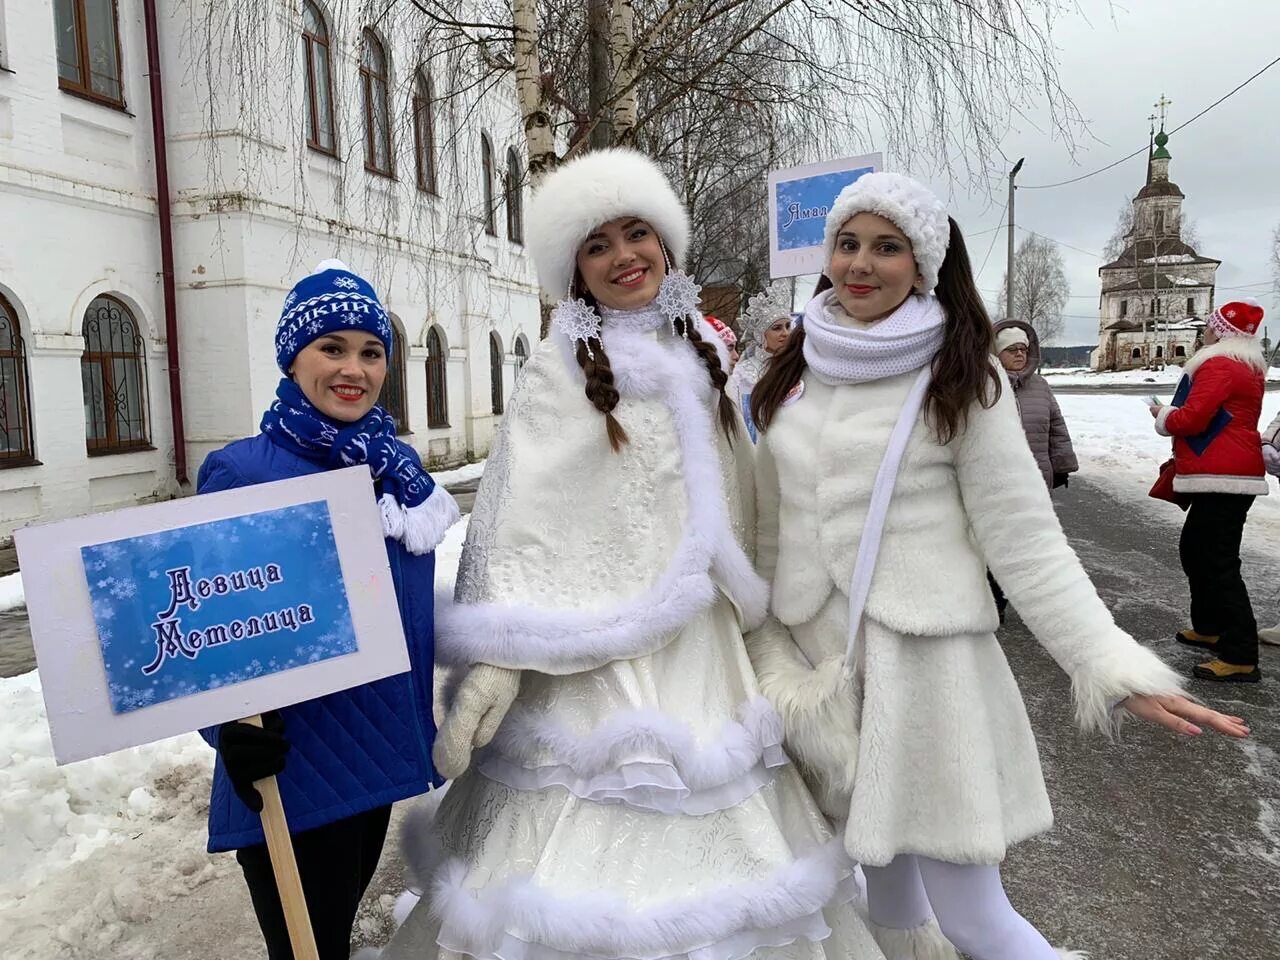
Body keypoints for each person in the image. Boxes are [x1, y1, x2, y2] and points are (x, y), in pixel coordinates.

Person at [385, 148, 886, 960]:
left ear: (666, 243)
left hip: (702, 650)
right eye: (597, 244)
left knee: (739, 845)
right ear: (575, 269)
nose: (623, 256)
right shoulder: (557, 373)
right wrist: (502, 657)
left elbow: (746, 492)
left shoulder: (706, 360)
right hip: (585, 662)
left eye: (636, 233)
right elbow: (516, 513)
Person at [743, 172, 1248, 960]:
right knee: (885, 902)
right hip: (822, 675)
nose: (861, 265)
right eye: (847, 244)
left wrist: (1109, 664)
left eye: (888, 248)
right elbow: (767, 532)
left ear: (925, 264)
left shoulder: (961, 379)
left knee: (976, 919)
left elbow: (1027, 543)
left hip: (926, 677)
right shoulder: (794, 373)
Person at [197, 260, 458, 959]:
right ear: (293, 358)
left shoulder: (393, 470)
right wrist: (225, 728)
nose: (354, 368)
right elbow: (203, 624)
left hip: (370, 765)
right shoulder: (244, 471)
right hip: (290, 774)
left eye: (371, 351)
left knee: (332, 941)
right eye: (331, 348)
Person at [1150, 298, 1269, 682]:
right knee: (1198, 552)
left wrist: (1163, 416)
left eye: (1210, 325)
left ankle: (1240, 653)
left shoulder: (1219, 363)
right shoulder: (1245, 366)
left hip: (1223, 476)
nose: (1205, 330)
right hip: (1228, 474)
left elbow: (1192, 417)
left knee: (1217, 564)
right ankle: (1210, 626)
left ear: (1220, 331)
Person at [987, 320, 1079, 620]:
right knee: (991, 543)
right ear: (996, 352)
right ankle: (991, 600)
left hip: (1034, 478)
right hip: (994, 481)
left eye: (1023, 349)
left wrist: (1062, 464)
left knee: (1029, 544)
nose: (1019, 354)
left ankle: (1029, 601)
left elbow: (1056, 426)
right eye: (1011, 349)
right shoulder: (982, 384)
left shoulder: (1039, 386)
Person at [729, 282, 794, 435]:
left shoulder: (796, 366)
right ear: (761, 335)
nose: (785, 333)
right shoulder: (744, 373)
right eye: (777, 328)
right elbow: (744, 423)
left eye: (788, 326)